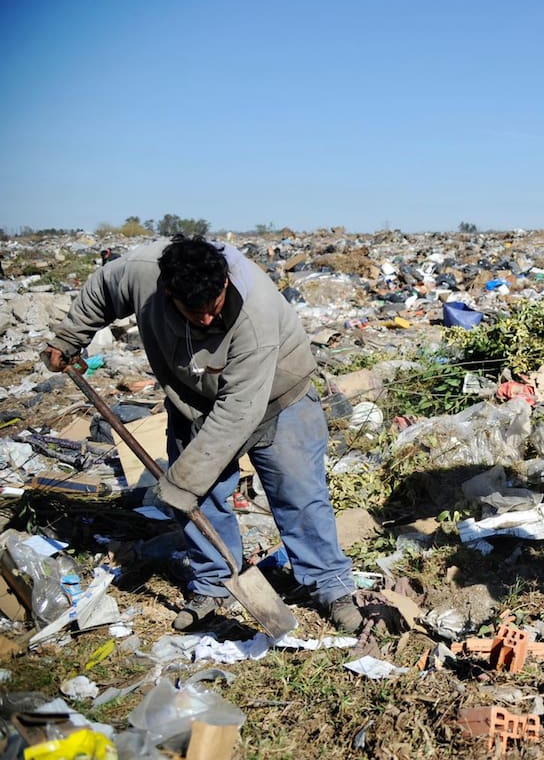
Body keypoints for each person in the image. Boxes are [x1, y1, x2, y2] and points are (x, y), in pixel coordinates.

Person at [44, 234, 362, 634]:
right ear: (167, 292)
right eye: (196, 313)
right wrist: (71, 337)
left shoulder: (254, 311)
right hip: (192, 398)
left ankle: (331, 586)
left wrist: (184, 481)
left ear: (225, 282)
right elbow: (104, 288)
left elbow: (239, 411)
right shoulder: (142, 274)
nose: (209, 321)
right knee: (202, 499)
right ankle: (214, 583)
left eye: (213, 309)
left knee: (298, 494)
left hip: (278, 397)